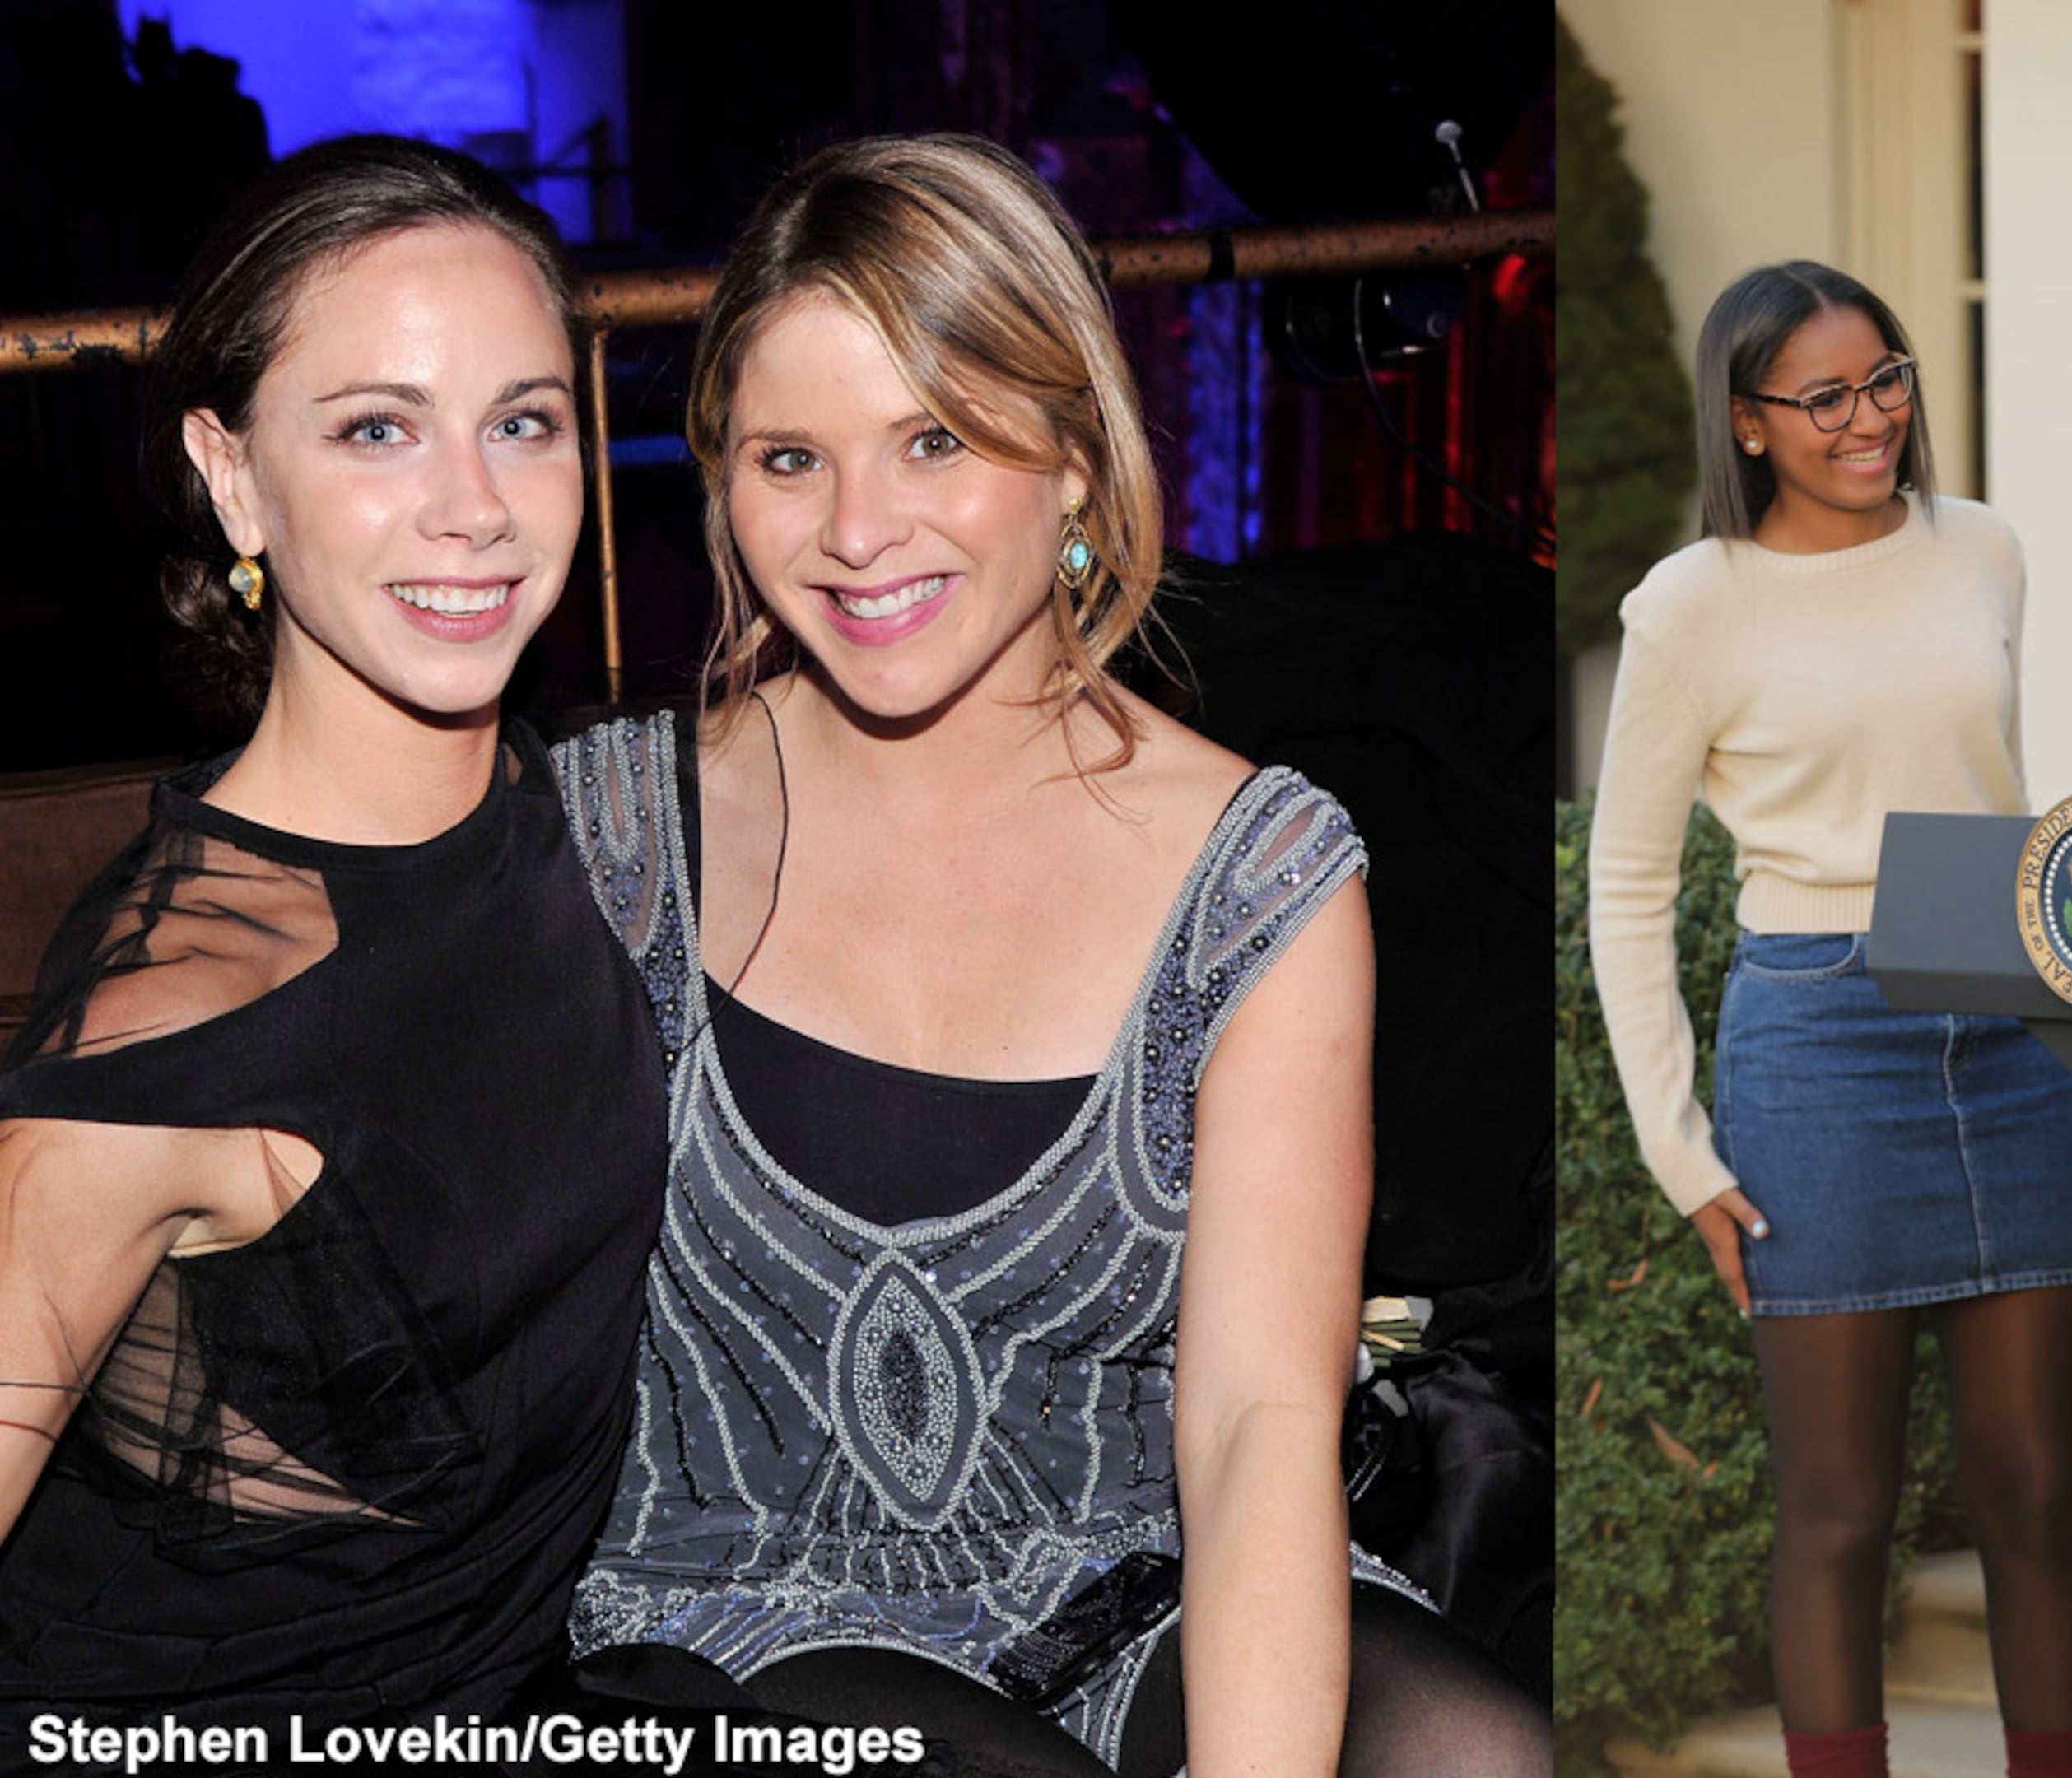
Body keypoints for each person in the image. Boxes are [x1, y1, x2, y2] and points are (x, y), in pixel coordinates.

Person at [558, 134, 1545, 1778]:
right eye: (788, 457)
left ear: (1073, 457)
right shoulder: (614, 834)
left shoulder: (1261, 874)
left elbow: (1253, 1428)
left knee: (1476, 1758)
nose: (858, 529)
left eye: (932, 438)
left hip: (1136, 1576)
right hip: (735, 1613)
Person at [0, 138, 668, 1743]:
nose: (475, 509)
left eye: (524, 423)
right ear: (233, 478)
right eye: (379, 429)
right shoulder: (172, 1021)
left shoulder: (558, 803)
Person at [1588, 261, 2072, 1778]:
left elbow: (1987, 791)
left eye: (1884, 380)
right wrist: (1681, 1153)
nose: (1867, 418)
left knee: (2037, 1493)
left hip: (2013, 1037)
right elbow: (1625, 891)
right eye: (1822, 398)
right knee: (1836, 1509)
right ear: (1746, 423)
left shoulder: (1986, 551)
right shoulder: (1691, 606)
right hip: (1817, 1050)